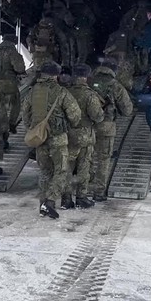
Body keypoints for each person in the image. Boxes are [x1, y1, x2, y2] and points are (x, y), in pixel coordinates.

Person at [21, 61, 81, 219]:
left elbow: (25, 114)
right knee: (61, 170)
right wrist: (70, 125)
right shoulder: (61, 92)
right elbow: (75, 115)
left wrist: (34, 128)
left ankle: (42, 205)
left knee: (45, 172)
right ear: (56, 75)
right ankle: (50, 201)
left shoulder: (32, 91)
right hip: (58, 138)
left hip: (40, 139)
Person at [88, 57, 133, 201]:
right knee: (103, 160)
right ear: (114, 71)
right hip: (106, 127)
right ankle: (99, 192)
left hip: (86, 126)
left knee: (85, 157)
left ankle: (83, 188)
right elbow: (127, 110)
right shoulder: (116, 86)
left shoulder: (88, 82)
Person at [61, 64, 104, 209]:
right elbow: (97, 117)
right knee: (84, 167)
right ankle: (81, 197)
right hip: (84, 136)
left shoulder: (65, 92)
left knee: (66, 167)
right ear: (87, 76)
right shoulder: (90, 95)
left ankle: (66, 198)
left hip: (67, 135)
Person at [0, 34, 26, 148]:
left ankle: (0, 136)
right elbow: (20, 69)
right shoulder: (13, 53)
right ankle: (10, 127)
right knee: (14, 108)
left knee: (0, 112)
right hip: (9, 85)